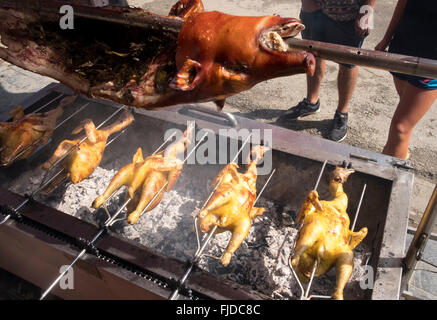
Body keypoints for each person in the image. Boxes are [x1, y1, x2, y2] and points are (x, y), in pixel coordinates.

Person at [277, 0, 375, 142]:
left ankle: (342, 113)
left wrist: (368, 8)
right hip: (313, 10)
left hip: (349, 13)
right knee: (313, 53)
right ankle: (311, 102)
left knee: (348, 62)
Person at [375, 0, 437, 160]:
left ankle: (387, 175)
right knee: (403, 117)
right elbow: (403, 2)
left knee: (400, 127)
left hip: (431, 63)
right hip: (403, 46)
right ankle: (397, 152)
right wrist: (387, 37)